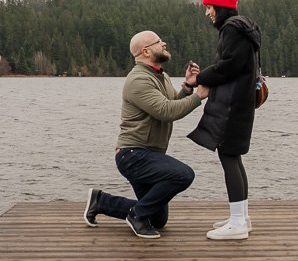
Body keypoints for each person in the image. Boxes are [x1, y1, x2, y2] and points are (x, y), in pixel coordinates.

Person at [84, 30, 209, 239]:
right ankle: (136, 216)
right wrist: (200, 96)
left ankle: (101, 201)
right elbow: (167, 112)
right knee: (183, 174)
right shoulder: (138, 80)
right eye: (159, 42)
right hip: (133, 155)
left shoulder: (161, 75)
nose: (164, 43)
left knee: (158, 219)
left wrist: (187, 86)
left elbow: (171, 103)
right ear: (146, 50)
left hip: (150, 154)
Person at [185, 0, 262, 240]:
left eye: (209, 7)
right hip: (240, 103)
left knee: (229, 156)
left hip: (232, 105)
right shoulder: (242, 28)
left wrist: (198, 79)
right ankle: (241, 217)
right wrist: (205, 75)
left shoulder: (232, 28)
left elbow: (229, 67)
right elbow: (232, 65)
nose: (207, 13)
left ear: (220, 7)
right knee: (233, 157)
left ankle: (239, 223)